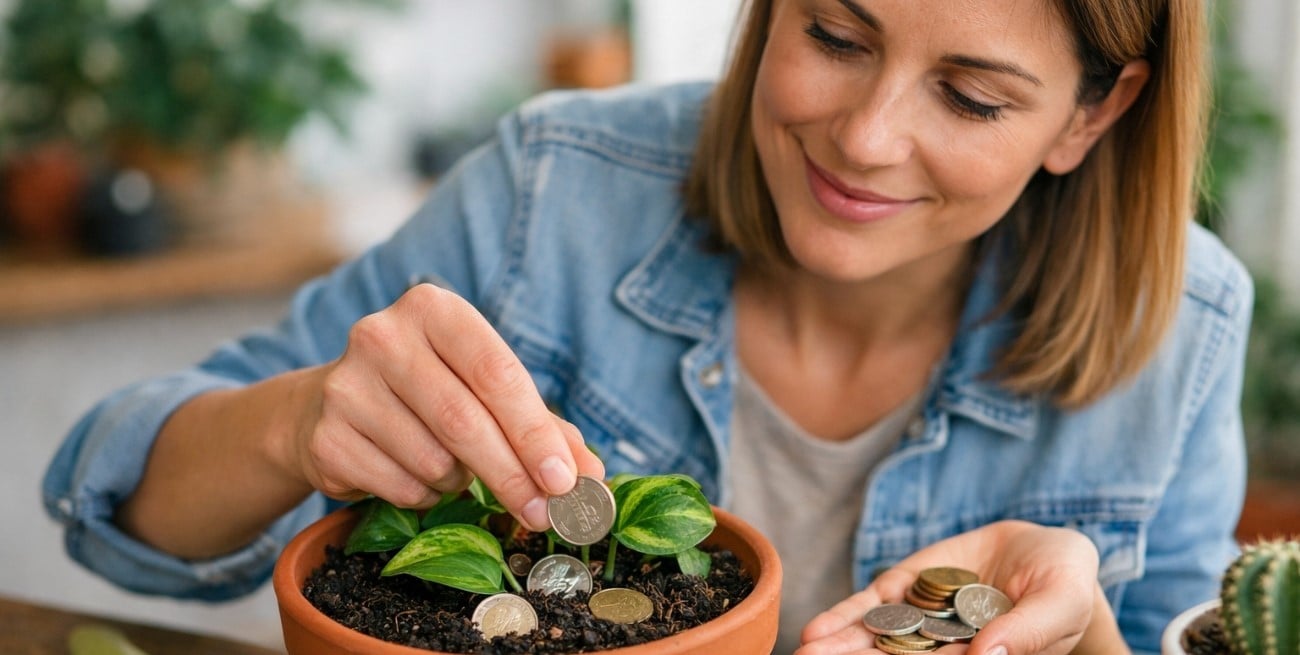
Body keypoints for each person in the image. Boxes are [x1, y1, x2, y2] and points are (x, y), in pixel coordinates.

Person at [43, 0, 1251, 653]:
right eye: (834, 35)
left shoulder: (1183, 328)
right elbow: (117, 523)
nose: (867, 136)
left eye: (972, 96)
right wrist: (292, 424)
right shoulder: (551, 191)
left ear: (1091, 117)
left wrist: (1077, 623)